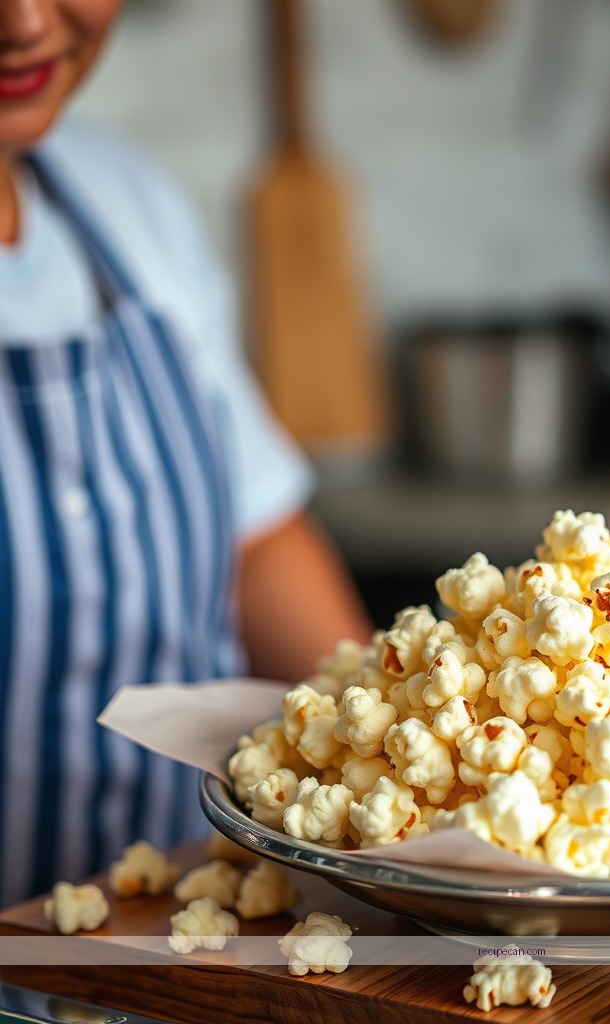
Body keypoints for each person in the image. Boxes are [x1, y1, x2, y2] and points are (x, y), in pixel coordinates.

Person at [0, 0, 374, 906]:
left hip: (179, 947)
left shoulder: (126, 203)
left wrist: (386, 755)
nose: (24, 22)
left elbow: (257, 540)